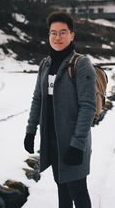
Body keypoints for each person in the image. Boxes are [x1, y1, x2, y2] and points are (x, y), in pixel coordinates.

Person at [24, 11, 96, 208]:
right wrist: (31, 131)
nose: (57, 37)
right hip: (52, 141)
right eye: (53, 33)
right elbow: (37, 99)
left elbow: (88, 106)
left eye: (63, 32)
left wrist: (77, 144)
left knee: (78, 191)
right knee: (61, 188)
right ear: (48, 35)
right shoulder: (45, 64)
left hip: (73, 141)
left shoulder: (81, 64)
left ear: (72, 35)